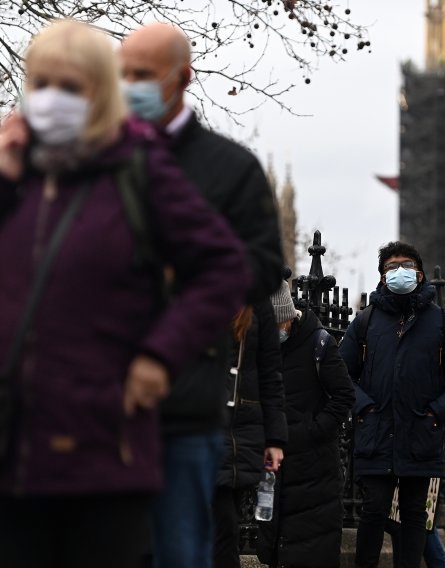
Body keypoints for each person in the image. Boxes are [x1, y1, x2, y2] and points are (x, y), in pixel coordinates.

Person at [0, 20, 249, 568]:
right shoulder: (15, 171)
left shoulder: (139, 168)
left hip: (99, 450)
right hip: (13, 444)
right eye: (39, 83)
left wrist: (160, 355)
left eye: (70, 87)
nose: (51, 100)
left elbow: (224, 266)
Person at [120, 23, 284, 568]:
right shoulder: (98, 159)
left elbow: (263, 268)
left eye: (141, 75)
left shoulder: (230, 168)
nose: (128, 86)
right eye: (120, 74)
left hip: (186, 405)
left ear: (182, 78)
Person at [339, 241, 445, 568]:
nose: (400, 271)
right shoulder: (365, 322)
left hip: (421, 434)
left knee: (414, 516)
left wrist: (436, 413)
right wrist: (365, 409)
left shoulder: (443, 322)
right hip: (376, 433)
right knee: (373, 511)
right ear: (382, 277)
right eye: (391, 267)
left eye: (407, 265)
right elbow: (342, 376)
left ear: (421, 273)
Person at [257, 281, 355, 568]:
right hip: (273, 466)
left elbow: (344, 395)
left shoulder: (319, 342)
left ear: (289, 315)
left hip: (314, 468)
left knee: (311, 549)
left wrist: (312, 432)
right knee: (273, 544)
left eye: (277, 323)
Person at [212, 302, 288, 568]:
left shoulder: (258, 303)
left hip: (242, 432)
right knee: (221, 526)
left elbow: (270, 374)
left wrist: (275, 438)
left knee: (227, 526)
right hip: (200, 426)